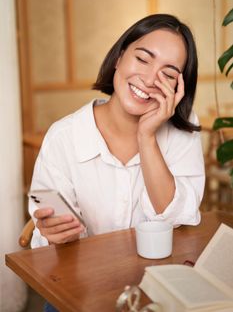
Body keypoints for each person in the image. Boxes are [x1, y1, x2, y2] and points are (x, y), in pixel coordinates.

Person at [29, 13, 205, 249]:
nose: (151, 79)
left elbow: (178, 219)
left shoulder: (182, 130)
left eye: (169, 74)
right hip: (86, 280)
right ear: (119, 58)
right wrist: (56, 235)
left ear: (178, 87)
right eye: (143, 59)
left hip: (159, 277)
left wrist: (147, 137)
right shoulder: (64, 137)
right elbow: (49, 244)